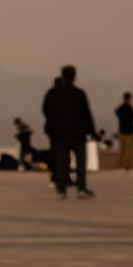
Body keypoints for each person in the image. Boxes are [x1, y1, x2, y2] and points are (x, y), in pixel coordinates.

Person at [42, 65, 96, 199]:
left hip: (59, 133)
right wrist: (91, 131)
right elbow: (86, 114)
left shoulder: (53, 93)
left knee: (61, 161)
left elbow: (45, 110)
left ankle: (61, 190)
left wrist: (52, 125)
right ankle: (81, 188)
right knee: (80, 162)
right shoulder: (79, 94)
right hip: (78, 132)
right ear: (74, 76)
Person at [115, 92, 133, 172]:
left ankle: (121, 165)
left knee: (122, 149)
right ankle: (127, 166)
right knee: (128, 150)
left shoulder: (121, 108)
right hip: (129, 132)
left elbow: (117, 113)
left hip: (122, 131)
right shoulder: (129, 108)